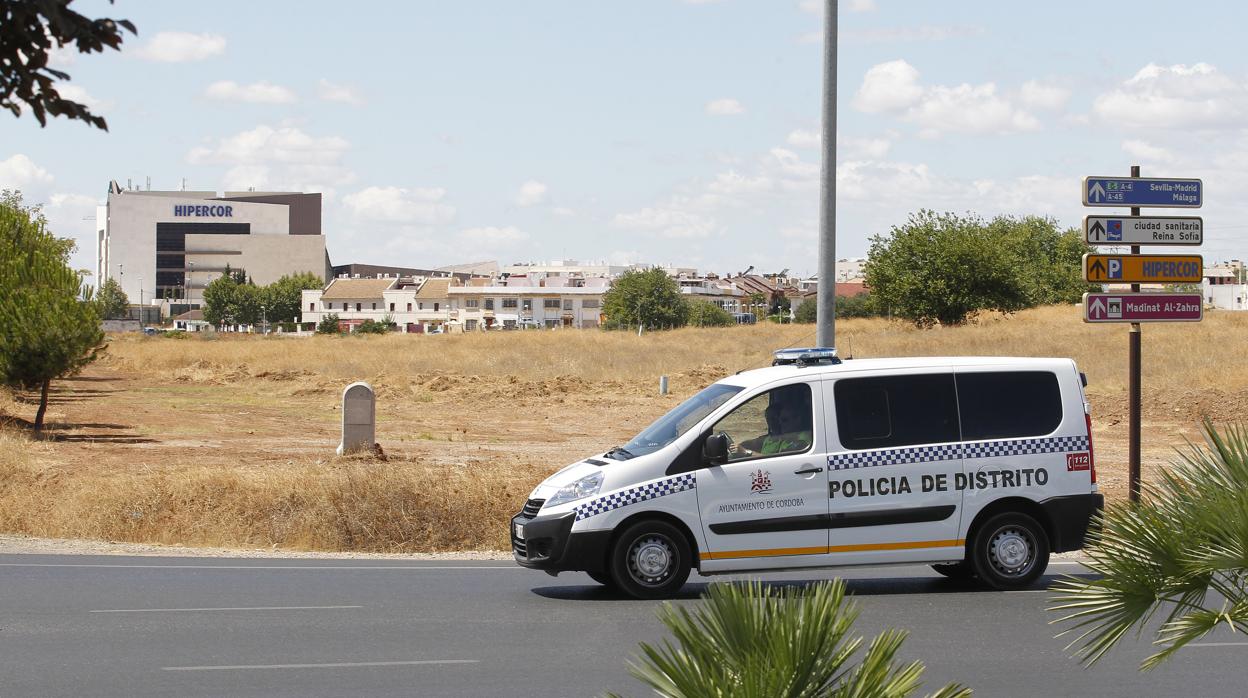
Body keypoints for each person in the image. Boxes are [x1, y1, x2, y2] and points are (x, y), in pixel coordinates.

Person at [735, 386, 812, 458]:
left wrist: (746, 452)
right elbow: (754, 443)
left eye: (784, 420)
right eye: (767, 418)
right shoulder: (782, 438)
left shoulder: (801, 442)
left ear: (798, 420)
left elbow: (774, 461)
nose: (780, 423)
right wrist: (737, 446)